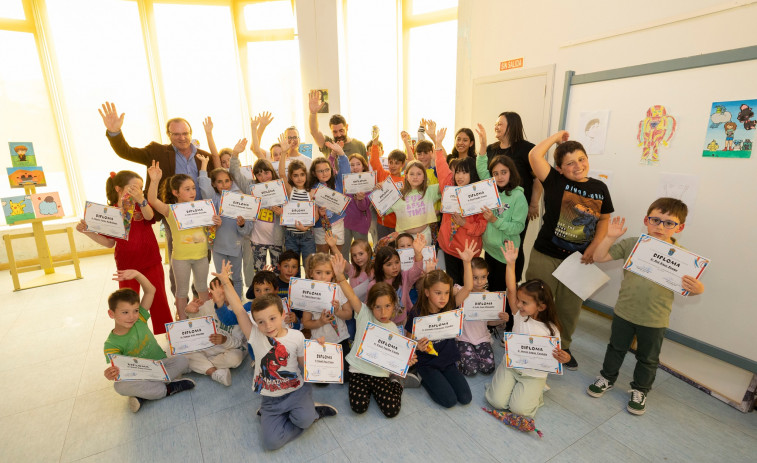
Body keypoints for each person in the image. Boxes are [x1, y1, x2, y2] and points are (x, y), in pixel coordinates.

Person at [587, 199, 705, 415]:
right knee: (616, 347)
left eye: (669, 223)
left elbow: (693, 288)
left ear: (680, 227)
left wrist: (698, 288)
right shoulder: (633, 244)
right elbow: (599, 257)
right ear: (646, 220)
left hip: (655, 318)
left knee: (648, 358)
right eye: (655, 220)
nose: (660, 227)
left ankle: (640, 390)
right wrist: (611, 237)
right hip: (625, 311)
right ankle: (607, 378)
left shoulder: (684, 258)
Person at [212, 261, 337, 451]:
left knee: (304, 421)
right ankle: (298, 414)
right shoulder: (255, 336)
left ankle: (312, 412)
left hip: (296, 392)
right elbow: (238, 310)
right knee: (271, 443)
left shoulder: (296, 336)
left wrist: (317, 352)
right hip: (271, 399)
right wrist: (225, 282)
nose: (268, 326)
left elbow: (305, 368)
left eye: (272, 319)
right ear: (255, 323)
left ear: (282, 314)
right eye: (260, 322)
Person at [99, 101, 217, 295]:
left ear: (191, 133)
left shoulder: (204, 157)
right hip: (172, 217)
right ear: (169, 135)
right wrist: (115, 133)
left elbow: (216, 181)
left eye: (185, 133)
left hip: (201, 218)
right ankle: (181, 300)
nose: (182, 137)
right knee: (178, 259)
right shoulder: (157, 152)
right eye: (176, 134)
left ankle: (199, 298)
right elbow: (126, 152)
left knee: (202, 258)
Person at [526, 131, 614, 370]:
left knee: (569, 308)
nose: (578, 166)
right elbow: (534, 154)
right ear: (559, 168)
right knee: (536, 302)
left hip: (580, 260)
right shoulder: (555, 181)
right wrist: (556, 138)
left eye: (582, 159)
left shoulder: (600, 187)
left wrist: (594, 247)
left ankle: (562, 348)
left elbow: (604, 220)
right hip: (545, 255)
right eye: (570, 163)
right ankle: (530, 343)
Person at [76, 170, 171, 334]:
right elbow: (108, 243)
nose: (137, 191)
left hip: (151, 261)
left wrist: (141, 200)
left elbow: (149, 217)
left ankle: (167, 334)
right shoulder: (109, 213)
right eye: (133, 188)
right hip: (126, 265)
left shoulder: (141, 206)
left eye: (140, 188)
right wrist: (87, 231)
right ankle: (133, 337)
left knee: (159, 298)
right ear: (119, 189)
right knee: (128, 304)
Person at [484, 241, 571, 417]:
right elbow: (510, 289)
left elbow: (556, 355)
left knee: (519, 410)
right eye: (519, 300)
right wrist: (510, 264)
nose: (518, 304)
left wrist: (565, 357)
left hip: (534, 374)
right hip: (511, 366)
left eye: (524, 302)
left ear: (541, 306)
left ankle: (536, 392)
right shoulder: (519, 314)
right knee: (496, 402)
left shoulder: (552, 329)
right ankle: (514, 388)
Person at [332, 253, 417, 417]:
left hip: (380, 373)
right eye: (377, 307)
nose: (383, 312)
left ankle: (397, 383)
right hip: (358, 370)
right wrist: (340, 276)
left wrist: (406, 361)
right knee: (358, 407)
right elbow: (349, 293)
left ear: (393, 306)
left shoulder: (393, 328)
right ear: (370, 305)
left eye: (387, 306)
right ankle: (368, 390)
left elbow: (397, 356)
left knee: (391, 410)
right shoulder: (364, 313)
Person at [103, 270, 195, 413]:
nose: (132, 316)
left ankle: (143, 396)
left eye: (135, 310)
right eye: (125, 312)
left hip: (160, 365)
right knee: (119, 387)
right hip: (140, 375)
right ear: (111, 314)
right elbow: (118, 370)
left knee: (183, 360)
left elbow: (150, 291)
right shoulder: (111, 345)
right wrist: (110, 374)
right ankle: (168, 389)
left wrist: (138, 275)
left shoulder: (140, 318)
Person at [404, 240, 476, 408]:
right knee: (449, 401)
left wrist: (466, 262)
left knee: (465, 398)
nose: (443, 297)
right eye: (438, 293)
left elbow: (467, 289)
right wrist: (417, 346)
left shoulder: (450, 305)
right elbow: (408, 342)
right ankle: (422, 376)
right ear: (427, 292)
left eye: (446, 293)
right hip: (427, 363)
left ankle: (439, 377)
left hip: (447, 361)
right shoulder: (416, 313)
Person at [147, 161, 221, 320]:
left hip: (201, 255)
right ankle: (181, 319)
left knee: (202, 287)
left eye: (193, 188)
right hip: (181, 257)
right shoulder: (171, 210)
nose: (192, 192)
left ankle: (208, 318)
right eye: (187, 189)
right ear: (176, 192)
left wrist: (215, 223)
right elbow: (152, 200)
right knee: (181, 291)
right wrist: (154, 180)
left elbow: (210, 231)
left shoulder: (203, 207)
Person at [480, 113, 542, 280]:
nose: (496, 127)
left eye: (500, 123)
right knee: (493, 244)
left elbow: (539, 178)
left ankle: (512, 283)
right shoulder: (492, 149)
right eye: (496, 123)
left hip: (516, 209)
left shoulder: (527, 149)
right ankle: (494, 284)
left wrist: (534, 203)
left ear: (512, 125)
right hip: (495, 209)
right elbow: (485, 176)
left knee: (512, 246)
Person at [475, 151, 528, 330]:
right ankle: (493, 325)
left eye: (503, 172)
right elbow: (482, 170)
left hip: (509, 256)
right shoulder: (490, 192)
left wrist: (494, 221)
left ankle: (510, 330)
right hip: (490, 253)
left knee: (510, 295)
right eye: (495, 173)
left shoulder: (518, 196)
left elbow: (518, 227)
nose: (499, 176)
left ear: (511, 172)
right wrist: (482, 149)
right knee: (495, 293)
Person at [198, 153, 252, 298]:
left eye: (227, 181)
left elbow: (246, 230)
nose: (224, 185)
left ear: (231, 181)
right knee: (223, 278)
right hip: (218, 247)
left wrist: (241, 224)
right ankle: (226, 302)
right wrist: (204, 165)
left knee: (237, 278)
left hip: (235, 246)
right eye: (220, 182)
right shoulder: (213, 198)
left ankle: (238, 302)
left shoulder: (238, 199)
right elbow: (203, 184)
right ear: (214, 184)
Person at [435, 135, 487, 285]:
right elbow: (442, 169)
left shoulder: (479, 195)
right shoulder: (449, 188)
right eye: (457, 172)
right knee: (453, 286)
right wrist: (438, 145)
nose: (459, 176)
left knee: (467, 286)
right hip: (449, 248)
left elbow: (481, 227)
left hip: (468, 253)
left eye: (464, 172)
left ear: (472, 174)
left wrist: (464, 223)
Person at [228, 150, 285, 283]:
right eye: (259, 174)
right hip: (256, 239)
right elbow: (235, 173)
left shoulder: (279, 187)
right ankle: (260, 298)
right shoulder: (251, 187)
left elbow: (289, 212)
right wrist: (235, 155)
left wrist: (281, 213)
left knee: (277, 273)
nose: (263, 177)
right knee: (259, 273)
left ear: (272, 171)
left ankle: (276, 298)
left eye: (266, 172)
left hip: (276, 239)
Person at [299, 252, 353, 382]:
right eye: (318, 272)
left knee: (345, 378)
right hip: (319, 341)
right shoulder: (308, 293)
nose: (323, 277)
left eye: (328, 273)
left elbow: (349, 314)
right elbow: (305, 323)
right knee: (319, 381)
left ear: (333, 273)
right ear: (311, 272)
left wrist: (338, 311)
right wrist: (320, 322)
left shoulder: (339, 289)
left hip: (340, 340)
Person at [183, 284, 246, 386]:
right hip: (206, 349)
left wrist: (225, 340)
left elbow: (238, 342)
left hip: (227, 350)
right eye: (216, 294)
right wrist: (189, 312)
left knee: (236, 358)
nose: (220, 297)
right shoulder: (205, 306)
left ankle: (202, 366)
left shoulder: (238, 310)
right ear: (210, 295)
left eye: (224, 293)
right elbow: (190, 332)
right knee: (184, 353)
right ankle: (215, 372)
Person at [456, 258, 507, 376]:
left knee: (488, 368)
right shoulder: (459, 291)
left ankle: (472, 354)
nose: (479, 281)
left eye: (483, 277)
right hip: (463, 339)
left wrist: (501, 319)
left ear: (487, 275)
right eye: (474, 277)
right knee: (471, 370)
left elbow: (489, 322)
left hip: (482, 338)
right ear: (468, 275)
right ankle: (458, 356)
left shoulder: (490, 297)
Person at [368, 233, 428, 327]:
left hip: (402, 322)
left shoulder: (404, 277)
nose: (395, 267)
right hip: (382, 324)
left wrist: (418, 253)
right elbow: (368, 309)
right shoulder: (373, 285)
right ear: (380, 267)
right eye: (389, 264)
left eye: (397, 262)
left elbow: (416, 271)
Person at [385, 160, 441, 245]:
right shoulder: (398, 194)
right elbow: (382, 209)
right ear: (406, 176)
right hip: (403, 238)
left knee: (425, 259)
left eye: (419, 174)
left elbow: (446, 184)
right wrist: (379, 190)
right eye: (412, 174)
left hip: (424, 236)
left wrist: (439, 154)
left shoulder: (430, 191)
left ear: (424, 177)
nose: (415, 177)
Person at [308, 143, 350, 254]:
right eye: (320, 171)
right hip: (320, 227)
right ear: (314, 173)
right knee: (323, 258)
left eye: (327, 170)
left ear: (331, 170)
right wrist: (317, 210)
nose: (324, 173)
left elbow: (346, 171)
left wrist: (341, 153)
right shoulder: (311, 189)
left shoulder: (338, 182)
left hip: (337, 224)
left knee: (337, 255)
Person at [308, 90, 367, 165]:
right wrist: (313, 113)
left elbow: (366, 170)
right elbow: (314, 131)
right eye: (335, 132)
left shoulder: (359, 145)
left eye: (341, 130)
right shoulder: (328, 144)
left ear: (347, 127)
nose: (339, 135)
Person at [369, 140, 406, 239]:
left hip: (399, 223)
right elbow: (374, 161)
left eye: (397, 163)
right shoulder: (383, 175)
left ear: (403, 165)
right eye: (390, 162)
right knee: (384, 249)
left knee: (397, 250)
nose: (393, 166)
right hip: (382, 222)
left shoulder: (405, 180)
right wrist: (375, 144)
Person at [340, 152, 372, 262]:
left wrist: (360, 199)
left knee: (362, 253)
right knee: (343, 253)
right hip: (344, 222)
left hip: (360, 223)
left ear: (363, 166)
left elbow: (363, 207)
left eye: (358, 164)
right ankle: (344, 278)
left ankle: (364, 276)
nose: (355, 167)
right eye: (351, 165)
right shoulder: (344, 181)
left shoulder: (368, 181)